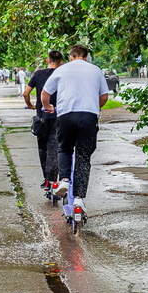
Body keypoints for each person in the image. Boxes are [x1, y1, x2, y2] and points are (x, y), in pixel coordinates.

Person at [41, 45, 109, 213]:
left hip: (66, 116)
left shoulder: (62, 70)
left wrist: (48, 106)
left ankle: (64, 180)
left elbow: (45, 93)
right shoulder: (96, 70)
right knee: (83, 157)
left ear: (71, 57)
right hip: (89, 116)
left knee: (64, 148)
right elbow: (104, 96)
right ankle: (79, 199)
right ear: (85, 57)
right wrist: (95, 107)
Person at [23, 51, 63, 190]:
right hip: (59, 115)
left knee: (42, 147)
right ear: (61, 62)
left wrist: (29, 104)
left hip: (42, 117)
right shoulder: (62, 74)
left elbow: (25, 93)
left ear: (47, 60)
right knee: (55, 147)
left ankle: (47, 179)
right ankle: (52, 179)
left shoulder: (38, 74)